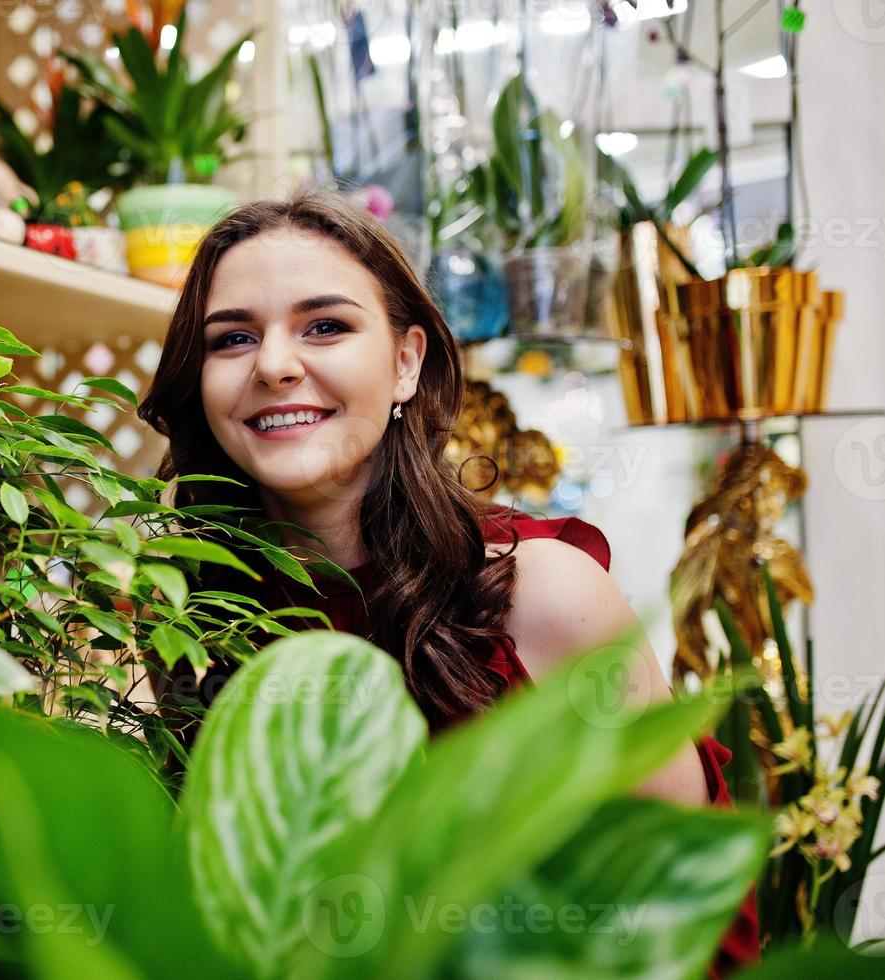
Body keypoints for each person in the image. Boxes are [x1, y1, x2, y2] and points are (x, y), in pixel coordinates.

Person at [136, 191, 758, 974]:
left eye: (324, 326)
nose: (274, 365)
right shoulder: (187, 617)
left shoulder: (540, 594)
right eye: (232, 338)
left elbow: (694, 921)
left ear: (405, 362)